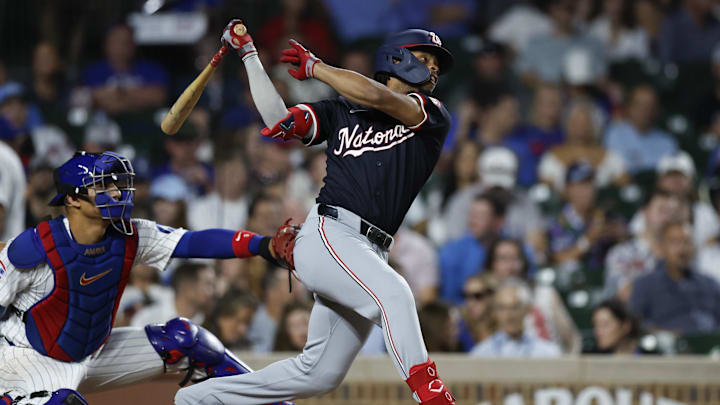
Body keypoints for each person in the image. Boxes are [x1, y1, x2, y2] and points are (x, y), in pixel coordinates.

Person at [175, 20, 457, 405]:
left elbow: (383, 99)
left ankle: (199, 400)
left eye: (436, 64)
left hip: (369, 250)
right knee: (395, 294)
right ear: (397, 58)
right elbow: (278, 121)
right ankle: (435, 399)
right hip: (332, 233)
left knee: (317, 374)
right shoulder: (341, 111)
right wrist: (250, 55)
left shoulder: (430, 113)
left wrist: (317, 69)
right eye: (425, 58)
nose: (434, 69)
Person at [0, 151, 295, 405]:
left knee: (188, 341)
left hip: (97, 352)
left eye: (116, 185)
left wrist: (262, 244)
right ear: (72, 199)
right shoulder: (33, 249)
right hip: (30, 360)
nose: (115, 193)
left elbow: (191, 243)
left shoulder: (130, 235)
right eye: (101, 186)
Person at [484, 238, 580, 353]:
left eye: (515, 259)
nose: (510, 266)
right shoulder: (484, 300)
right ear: (492, 265)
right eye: (503, 259)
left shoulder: (545, 294)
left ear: (523, 262)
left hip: (549, 362)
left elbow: (572, 339)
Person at [629, 220, 720, 334]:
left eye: (687, 242)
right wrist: (661, 334)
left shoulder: (710, 284)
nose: (682, 249)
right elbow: (634, 324)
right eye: (675, 242)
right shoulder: (644, 285)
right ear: (662, 248)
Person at [604, 189, 684, 300]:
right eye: (661, 210)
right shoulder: (622, 252)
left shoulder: (684, 253)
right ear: (644, 212)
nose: (667, 218)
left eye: (672, 213)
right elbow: (622, 296)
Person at [470, 278, 562, 358]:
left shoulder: (548, 353)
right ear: (495, 312)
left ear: (527, 310)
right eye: (502, 308)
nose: (509, 315)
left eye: (515, 308)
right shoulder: (481, 354)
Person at [604, 85, 677, 174]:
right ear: (628, 107)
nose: (644, 110)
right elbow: (617, 171)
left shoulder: (667, 142)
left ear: (657, 110)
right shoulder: (614, 134)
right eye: (639, 105)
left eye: (650, 105)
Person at [130, 262, 217, 327]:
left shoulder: (213, 324)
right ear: (187, 288)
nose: (215, 292)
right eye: (208, 284)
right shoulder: (146, 320)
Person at [457, 274, 496, 352]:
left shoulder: (504, 329)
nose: (470, 303)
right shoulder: (458, 330)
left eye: (478, 296)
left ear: (492, 296)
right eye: (466, 296)